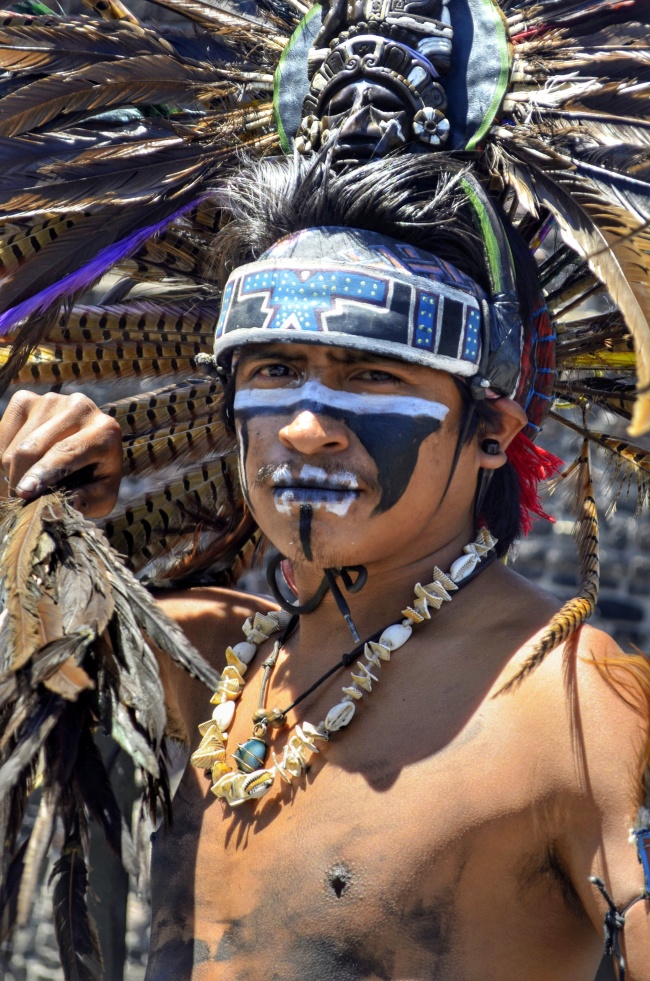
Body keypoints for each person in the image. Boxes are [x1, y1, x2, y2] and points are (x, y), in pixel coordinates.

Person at [1, 151, 649, 981]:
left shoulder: (576, 706)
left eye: (371, 373)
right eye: (275, 369)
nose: (306, 427)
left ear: (494, 432)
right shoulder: (212, 658)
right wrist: (38, 511)